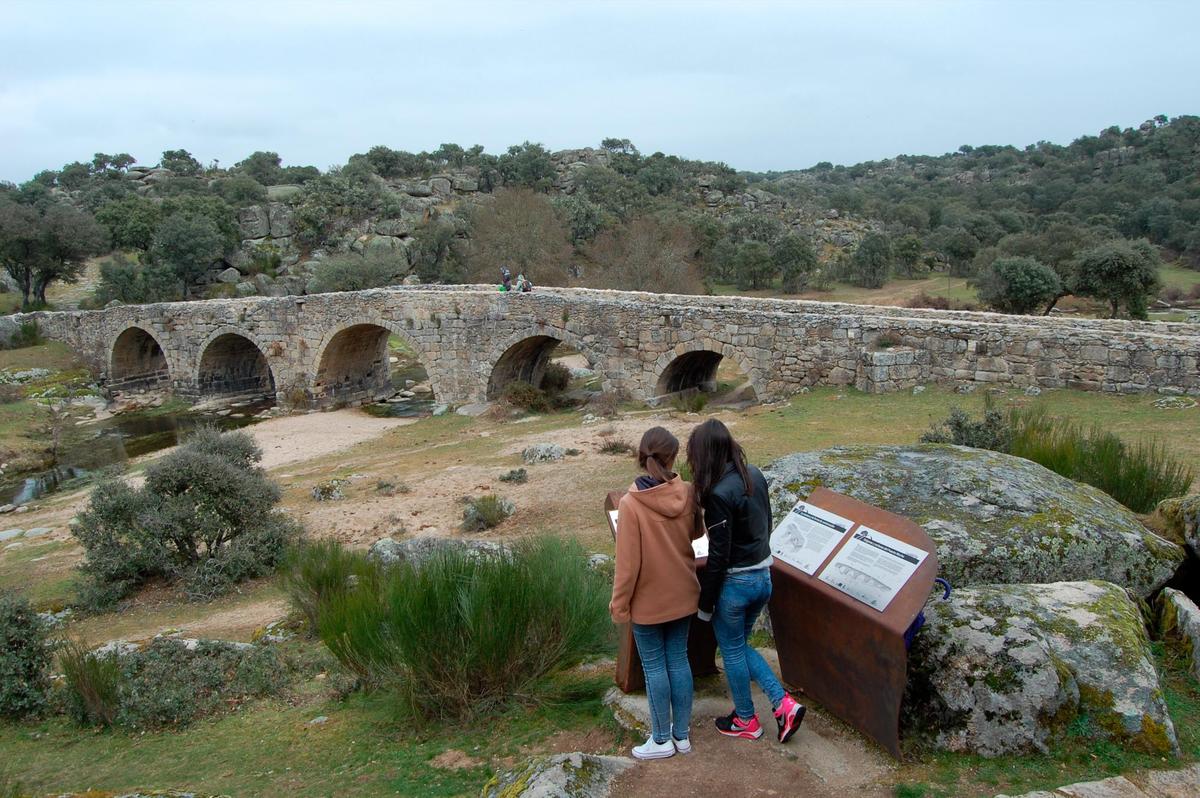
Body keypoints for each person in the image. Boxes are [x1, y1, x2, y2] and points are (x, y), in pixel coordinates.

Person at [687, 418, 806, 744]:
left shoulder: (717, 494)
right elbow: (766, 523)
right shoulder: (753, 474)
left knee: (733, 650)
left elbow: (719, 556)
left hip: (736, 585)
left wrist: (705, 604)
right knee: (740, 645)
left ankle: (747, 719)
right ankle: (782, 706)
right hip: (763, 577)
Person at [610, 426, 705, 760]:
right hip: (683, 593)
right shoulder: (689, 492)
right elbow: (697, 533)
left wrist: (619, 606)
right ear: (673, 457)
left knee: (654, 668)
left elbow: (628, 566)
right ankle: (682, 735)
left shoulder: (631, 505)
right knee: (679, 660)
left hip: (649, 601)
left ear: (641, 457)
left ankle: (661, 739)